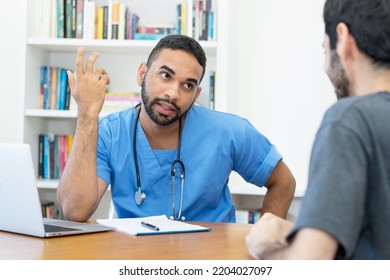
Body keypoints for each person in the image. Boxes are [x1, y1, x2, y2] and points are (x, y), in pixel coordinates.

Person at [57, 35, 296, 223]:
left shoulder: (229, 132)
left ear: (196, 94)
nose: (173, 93)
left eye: (188, 85)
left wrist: (266, 243)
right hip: (137, 259)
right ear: (142, 73)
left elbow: (283, 183)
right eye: (165, 75)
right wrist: (87, 114)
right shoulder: (109, 133)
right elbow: (74, 211)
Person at [245, 0, 390, 260]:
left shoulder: (348, 119)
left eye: (324, 50)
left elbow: (309, 265)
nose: (325, 65)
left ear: (343, 39)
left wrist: (265, 247)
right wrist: (305, 230)